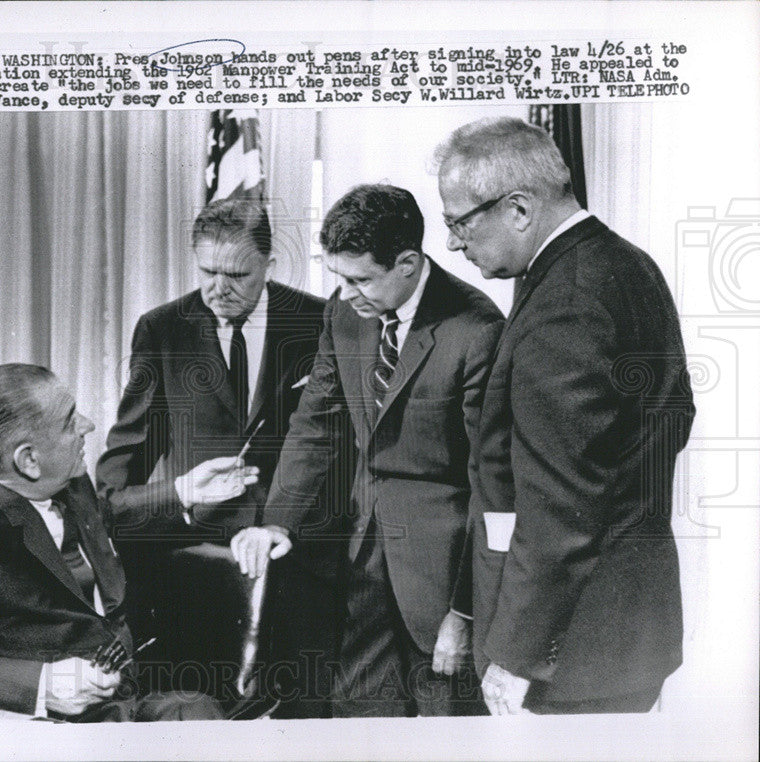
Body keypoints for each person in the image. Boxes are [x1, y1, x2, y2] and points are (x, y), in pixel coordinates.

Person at [434, 116, 696, 714]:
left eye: (458, 222)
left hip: (570, 651)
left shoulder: (565, 303)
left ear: (519, 209)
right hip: (626, 631)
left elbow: (560, 508)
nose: (452, 244)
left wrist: (518, 657)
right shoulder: (628, 265)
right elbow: (672, 419)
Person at [233, 184, 504, 717]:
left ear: (407, 263)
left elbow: (492, 481)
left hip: (442, 574)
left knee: (442, 725)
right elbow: (316, 420)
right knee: (359, 716)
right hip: (361, 558)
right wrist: (277, 521)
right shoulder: (344, 311)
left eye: (360, 279)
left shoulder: (477, 329)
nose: (346, 292)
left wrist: (465, 612)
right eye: (338, 277)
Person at [0, 363, 254, 721]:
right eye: (69, 422)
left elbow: (105, 515)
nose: (87, 425)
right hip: (55, 722)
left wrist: (185, 490)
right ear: (28, 460)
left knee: (203, 712)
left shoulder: (70, 483)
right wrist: (41, 684)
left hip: (131, 679)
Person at [96, 198, 347, 717]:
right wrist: (182, 492)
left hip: (302, 569)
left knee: (305, 727)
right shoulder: (162, 330)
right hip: (201, 582)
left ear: (269, 265)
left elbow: (339, 447)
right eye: (208, 271)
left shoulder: (320, 321)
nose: (219, 288)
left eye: (236, 274)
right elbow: (116, 486)